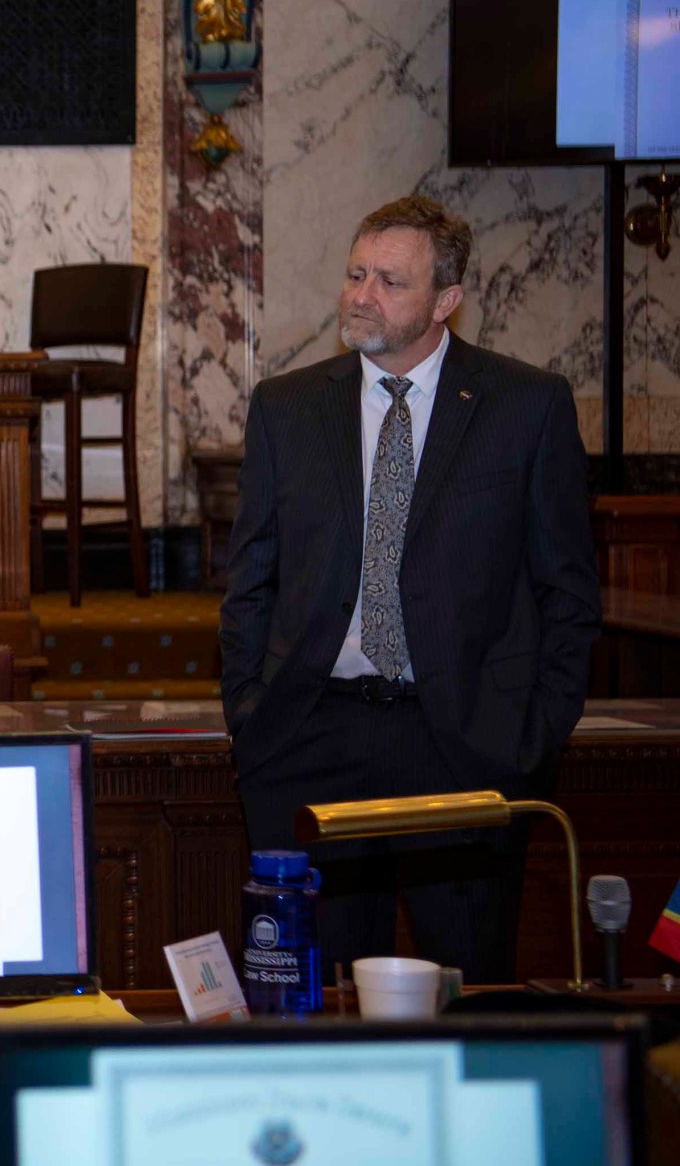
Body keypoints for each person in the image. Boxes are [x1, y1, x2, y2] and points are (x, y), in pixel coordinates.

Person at [221, 195, 600, 982]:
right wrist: (251, 714)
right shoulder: (286, 409)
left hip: (463, 744)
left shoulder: (527, 407)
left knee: (468, 990)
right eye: (357, 273)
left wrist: (532, 737)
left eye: (391, 281)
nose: (362, 295)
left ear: (446, 301)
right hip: (312, 737)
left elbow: (568, 592)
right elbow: (248, 582)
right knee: (312, 1000)